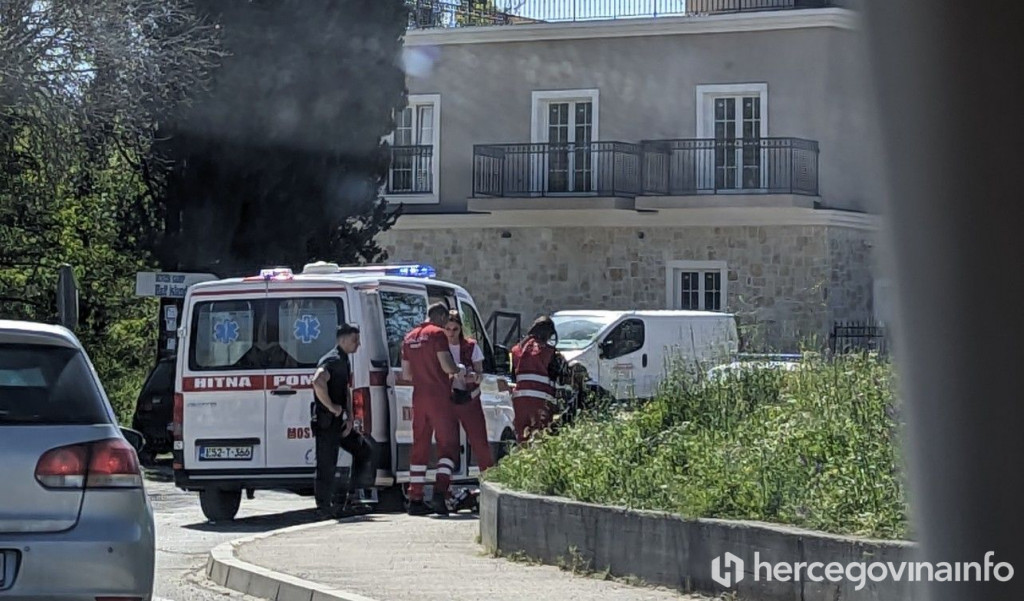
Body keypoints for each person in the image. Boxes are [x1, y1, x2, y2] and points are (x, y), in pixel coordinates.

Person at [401, 302, 461, 515]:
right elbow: (446, 365)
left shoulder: (409, 337)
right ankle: (439, 493)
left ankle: (415, 498)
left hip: (419, 397)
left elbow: (406, 374)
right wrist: (458, 369)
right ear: (442, 317)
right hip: (439, 397)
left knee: (420, 447)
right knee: (448, 446)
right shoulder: (437, 334)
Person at [310, 324, 375, 517]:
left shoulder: (344, 359)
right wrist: (331, 407)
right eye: (355, 340)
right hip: (326, 422)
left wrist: (350, 417)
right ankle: (324, 507)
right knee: (326, 464)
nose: (358, 344)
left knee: (364, 450)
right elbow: (317, 381)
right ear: (343, 339)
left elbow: (345, 389)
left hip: (339, 422)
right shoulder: (332, 359)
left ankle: (351, 499)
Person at [444, 310, 494, 475]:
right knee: (447, 443)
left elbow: (480, 374)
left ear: (460, 329)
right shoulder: (440, 348)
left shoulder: (471, 346)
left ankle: (487, 476)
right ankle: (446, 480)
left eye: (455, 329)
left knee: (479, 441)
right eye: (448, 329)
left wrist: (474, 377)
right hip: (448, 399)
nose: (451, 333)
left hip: (469, 399)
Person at [510, 315, 568, 443]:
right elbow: (558, 377)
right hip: (541, 402)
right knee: (540, 439)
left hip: (519, 402)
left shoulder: (516, 350)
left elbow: (514, 376)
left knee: (522, 439)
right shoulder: (550, 352)